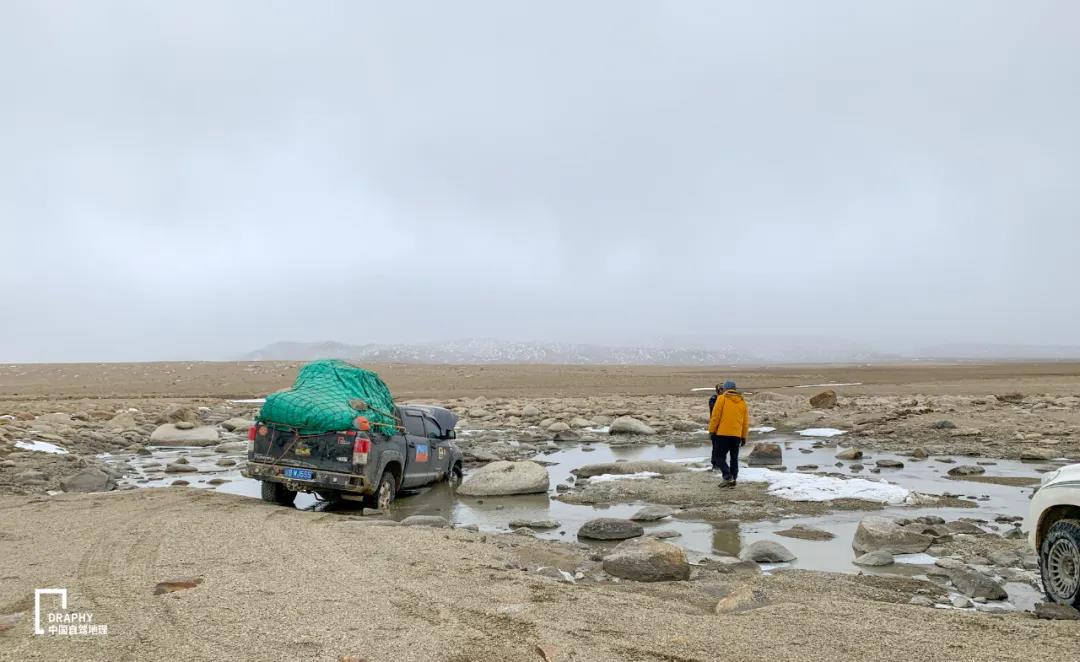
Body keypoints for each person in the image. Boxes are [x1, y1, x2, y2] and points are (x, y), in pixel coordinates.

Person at [708, 380, 749, 487]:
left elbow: (715, 416)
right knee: (734, 458)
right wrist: (743, 436)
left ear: (725, 389)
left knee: (719, 457)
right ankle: (733, 478)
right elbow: (745, 422)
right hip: (736, 435)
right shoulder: (742, 401)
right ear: (735, 389)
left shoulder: (722, 399)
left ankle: (728, 476)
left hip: (723, 433)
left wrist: (712, 430)